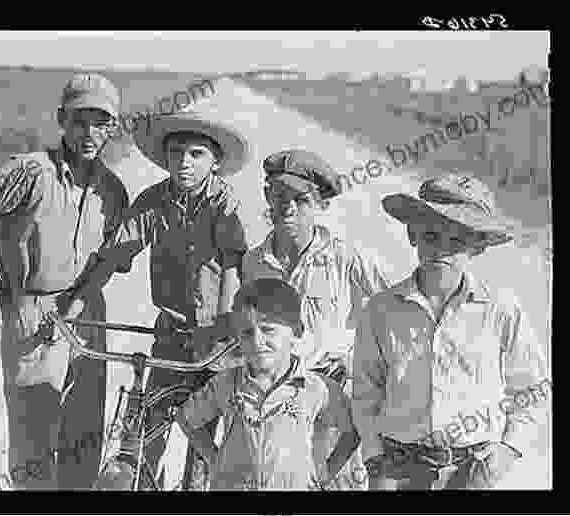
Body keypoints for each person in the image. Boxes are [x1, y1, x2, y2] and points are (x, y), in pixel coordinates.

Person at [0, 73, 130, 489]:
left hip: (89, 313)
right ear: (61, 120)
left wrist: (83, 299)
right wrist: (4, 292)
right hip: (32, 314)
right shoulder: (31, 172)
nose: (90, 133)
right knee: (33, 442)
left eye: (101, 122)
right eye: (79, 121)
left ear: (113, 127)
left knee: (85, 436)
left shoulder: (114, 189)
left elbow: (112, 259)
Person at [72, 109, 250, 490]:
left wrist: (220, 332)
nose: (184, 162)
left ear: (215, 161)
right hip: (172, 336)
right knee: (147, 426)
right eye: (176, 153)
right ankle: (140, 484)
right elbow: (114, 255)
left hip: (221, 340)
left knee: (218, 441)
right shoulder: (152, 201)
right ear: (165, 158)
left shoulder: (225, 204)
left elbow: (232, 266)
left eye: (196, 154)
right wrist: (74, 305)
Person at [352, 173, 549, 490]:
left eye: (456, 240)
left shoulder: (501, 308)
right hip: (398, 467)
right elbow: (365, 392)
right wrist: (375, 460)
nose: (441, 249)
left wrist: (507, 451)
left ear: (477, 245)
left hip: (473, 469)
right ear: (412, 234)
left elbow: (533, 389)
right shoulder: (381, 310)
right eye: (431, 235)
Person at [241, 149, 391, 490]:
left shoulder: (345, 257)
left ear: (320, 204)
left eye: (301, 200)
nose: (288, 207)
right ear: (267, 196)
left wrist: (363, 364)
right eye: (279, 197)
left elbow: (393, 311)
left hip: (330, 396)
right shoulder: (254, 264)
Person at [174, 277, 361, 490]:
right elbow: (186, 418)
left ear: (296, 331)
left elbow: (355, 428)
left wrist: (325, 472)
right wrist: (214, 460)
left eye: (268, 330)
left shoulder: (315, 388)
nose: (257, 341)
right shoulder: (226, 383)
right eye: (247, 333)